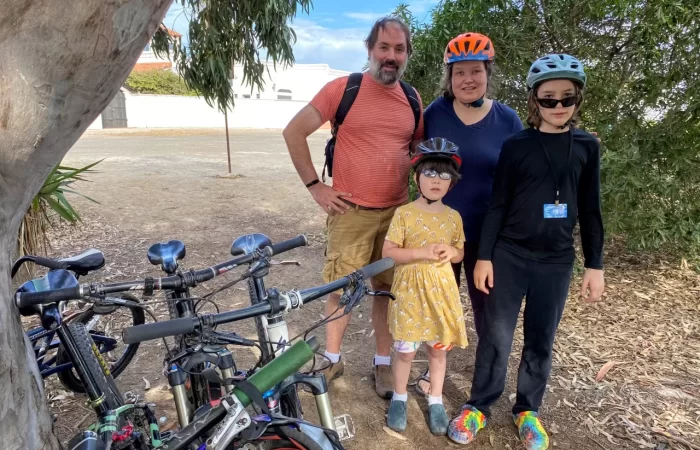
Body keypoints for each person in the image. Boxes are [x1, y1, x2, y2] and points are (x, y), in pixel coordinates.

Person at [446, 54, 605, 450]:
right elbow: (497, 203)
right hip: (509, 255)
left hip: (555, 261)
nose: (558, 107)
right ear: (534, 101)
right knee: (496, 335)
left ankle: (527, 410)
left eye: (566, 98)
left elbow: (591, 209)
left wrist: (595, 265)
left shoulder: (587, 146)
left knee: (540, 338)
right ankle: (479, 405)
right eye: (548, 99)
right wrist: (484, 256)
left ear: (577, 99)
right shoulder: (516, 145)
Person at [282, 16, 424, 398]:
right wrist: (316, 186)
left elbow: (420, 153)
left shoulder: (412, 99)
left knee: (385, 292)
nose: (391, 56)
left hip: (397, 216)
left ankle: (381, 363)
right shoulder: (342, 89)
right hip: (350, 213)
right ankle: (332, 358)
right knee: (341, 289)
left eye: (399, 49)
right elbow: (293, 132)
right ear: (370, 49)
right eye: (384, 48)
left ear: (407, 54)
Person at [415, 32, 524, 396]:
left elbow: (522, 175)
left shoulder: (508, 119)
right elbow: (415, 164)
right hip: (439, 231)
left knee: (488, 313)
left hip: (487, 234)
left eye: (475, 71)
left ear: (487, 73)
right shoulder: (433, 114)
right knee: (438, 305)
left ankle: (486, 380)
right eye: (459, 72)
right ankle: (435, 374)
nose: (468, 79)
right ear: (449, 77)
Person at [382, 137, 469, 436]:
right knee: (405, 350)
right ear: (417, 177)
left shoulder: (454, 217)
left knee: (438, 350)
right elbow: (389, 252)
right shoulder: (404, 214)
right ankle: (400, 397)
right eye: (430, 173)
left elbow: (460, 251)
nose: (436, 180)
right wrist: (421, 252)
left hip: (442, 292)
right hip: (409, 292)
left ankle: (435, 400)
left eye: (444, 175)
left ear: (452, 182)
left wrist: (452, 252)